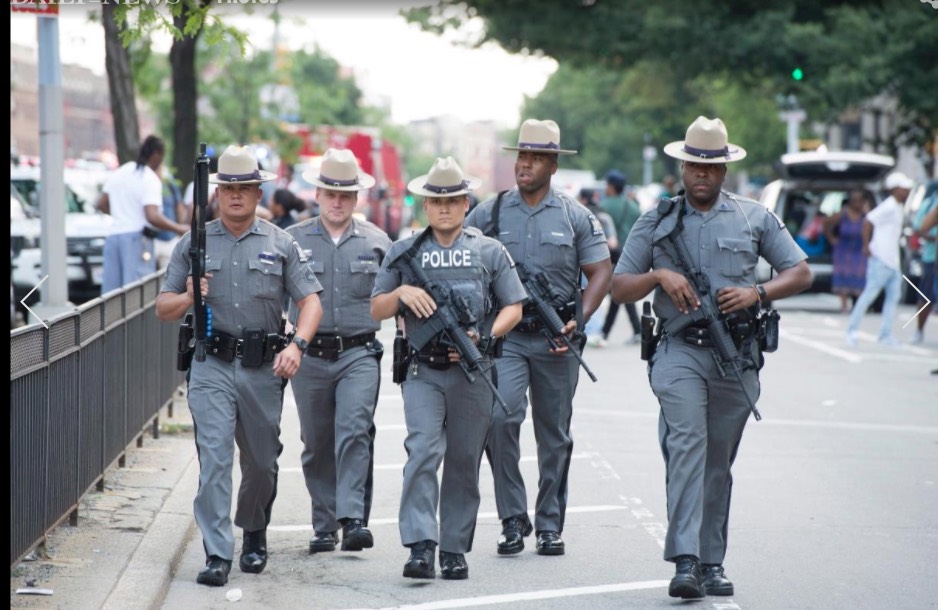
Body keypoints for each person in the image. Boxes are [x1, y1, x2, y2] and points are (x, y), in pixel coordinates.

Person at [611, 116, 812, 599]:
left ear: (724, 169)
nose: (701, 172)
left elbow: (800, 272)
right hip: (679, 352)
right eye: (693, 164)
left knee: (717, 462)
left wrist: (757, 293)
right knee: (687, 448)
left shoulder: (752, 217)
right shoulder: (655, 220)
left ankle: (710, 561)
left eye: (711, 165)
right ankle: (685, 561)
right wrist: (660, 275)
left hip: (735, 358)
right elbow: (620, 286)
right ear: (682, 167)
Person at [155, 145, 324, 587]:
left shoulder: (280, 242)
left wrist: (299, 346)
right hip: (211, 363)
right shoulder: (193, 242)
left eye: (244, 187)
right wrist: (190, 295)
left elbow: (311, 302)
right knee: (214, 460)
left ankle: (253, 530)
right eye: (228, 187)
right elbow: (163, 307)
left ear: (256, 191)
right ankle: (217, 553)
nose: (235, 195)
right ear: (217, 192)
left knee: (262, 462)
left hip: (263, 369)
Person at [371, 156, 526, 580]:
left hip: (473, 371)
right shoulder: (405, 252)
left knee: (463, 460)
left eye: (453, 199)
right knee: (422, 450)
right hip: (424, 370)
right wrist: (402, 291)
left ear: (465, 202)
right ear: (425, 205)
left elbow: (514, 305)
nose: (444, 207)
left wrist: (489, 338)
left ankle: (454, 548)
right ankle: (421, 544)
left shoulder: (488, 250)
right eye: (436, 200)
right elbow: (375, 309)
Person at [464, 119, 612, 557]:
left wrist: (580, 318)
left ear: (552, 164)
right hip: (506, 338)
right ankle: (513, 519)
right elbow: (460, 257)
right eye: (520, 156)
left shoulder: (574, 215)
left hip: (557, 340)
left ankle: (549, 524)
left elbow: (601, 271)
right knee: (498, 421)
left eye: (534, 158)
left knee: (554, 435)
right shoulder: (488, 213)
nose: (524, 164)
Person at [285, 149, 392, 556]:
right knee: (316, 442)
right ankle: (324, 524)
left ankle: (353, 521)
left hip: (358, 353)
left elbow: (394, 295)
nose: (337, 201)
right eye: (330, 192)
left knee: (354, 429)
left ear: (357, 198)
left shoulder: (378, 242)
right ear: (317, 193)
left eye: (345, 194)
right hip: (309, 355)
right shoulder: (291, 240)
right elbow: (273, 293)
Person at [99, 135, 188, 292]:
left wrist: (123, 215)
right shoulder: (149, 177)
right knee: (136, 294)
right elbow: (152, 216)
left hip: (113, 237)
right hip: (137, 239)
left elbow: (102, 204)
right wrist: (179, 228)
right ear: (157, 154)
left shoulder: (121, 171)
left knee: (110, 296)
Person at [845, 171, 915, 347]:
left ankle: (885, 335)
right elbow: (868, 220)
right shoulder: (890, 205)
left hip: (893, 262)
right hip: (881, 259)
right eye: (904, 189)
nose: (907, 192)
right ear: (895, 189)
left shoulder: (898, 206)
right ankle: (851, 331)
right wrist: (867, 246)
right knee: (869, 295)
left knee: (892, 298)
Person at [591, 170, 642, 346]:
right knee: (619, 292)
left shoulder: (604, 206)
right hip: (632, 256)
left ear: (611, 187)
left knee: (617, 292)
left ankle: (605, 333)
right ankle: (633, 331)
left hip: (610, 255)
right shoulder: (634, 206)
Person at [824, 189, 873, 312]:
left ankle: (859, 305)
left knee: (860, 274)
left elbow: (873, 227)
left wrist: (867, 213)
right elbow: (826, 223)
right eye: (855, 201)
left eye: (860, 201)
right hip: (843, 248)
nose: (857, 204)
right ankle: (843, 304)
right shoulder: (843, 214)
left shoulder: (866, 215)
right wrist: (831, 239)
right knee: (843, 274)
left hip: (859, 248)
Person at [911, 180, 937, 343]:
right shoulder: (931, 203)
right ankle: (919, 330)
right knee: (926, 296)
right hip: (931, 257)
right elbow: (921, 227)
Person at [154, 168, 188, 269]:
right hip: (152, 238)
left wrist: (180, 229)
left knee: (167, 274)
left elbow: (179, 208)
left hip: (170, 237)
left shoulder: (169, 184)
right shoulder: (146, 184)